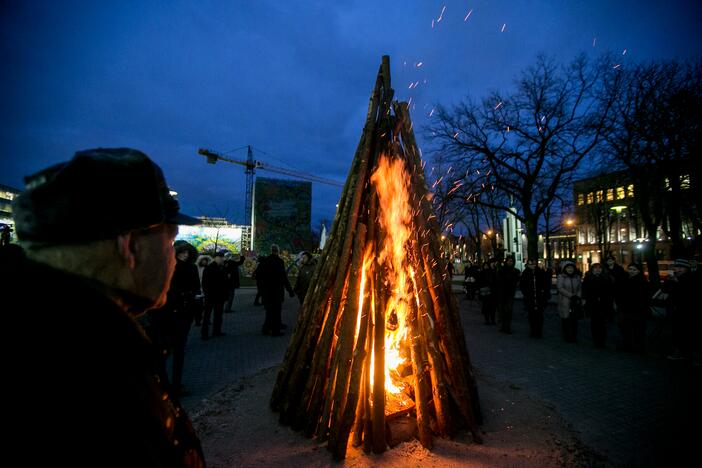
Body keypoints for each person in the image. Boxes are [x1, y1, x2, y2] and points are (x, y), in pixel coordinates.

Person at [3, 148, 206, 466]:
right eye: (169, 241)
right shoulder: (96, 373)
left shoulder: (53, 325)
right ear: (129, 245)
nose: (172, 259)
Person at [145, 240, 201, 397]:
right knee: (163, 351)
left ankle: (175, 385)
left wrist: (193, 305)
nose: (184, 256)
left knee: (179, 352)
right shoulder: (166, 268)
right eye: (181, 253)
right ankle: (163, 384)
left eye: (187, 253)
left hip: (182, 315)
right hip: (164, 315)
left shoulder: (191, 268)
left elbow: (196, 290)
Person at [258, 244, 294, 336]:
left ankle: (266, 328)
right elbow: (283, 277)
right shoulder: (279, 261)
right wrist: (290, 290)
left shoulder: (265, 261)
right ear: (277, 251)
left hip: (267, 291)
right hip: (276, 291)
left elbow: (260, 277)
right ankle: (275, 330)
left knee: (269, 311)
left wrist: (261, 290)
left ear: (271, 251)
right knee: (276, 311)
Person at [664, 259, 695, 361]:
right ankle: (678, 350)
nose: (678, 269)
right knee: (676, 331)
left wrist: (677, 282)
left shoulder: (690, 278)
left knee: (685, 332)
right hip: (674, 309)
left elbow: (688, 294)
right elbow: (665, 290)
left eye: (681, 267)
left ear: (687, 269)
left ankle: (684, 352)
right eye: (676, 267)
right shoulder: (674, 278)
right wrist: (668, 280)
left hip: (685, 310)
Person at [617, 262, 651, 353]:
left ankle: (638, 347)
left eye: (634, 270)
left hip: (637, 309)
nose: (631, 271)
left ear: (638, 271)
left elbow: (644, 297)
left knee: (637, 330)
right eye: (630, 269)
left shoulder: (642, 281)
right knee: (627, 329)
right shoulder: (626, 279)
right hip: (628, 309)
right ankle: (630, 346)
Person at [582, 262, 615, 348]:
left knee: (603, 324)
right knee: (594, 323)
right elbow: (585, 292)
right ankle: (596, 340)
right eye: (595, 268)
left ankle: (602, 340)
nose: (597, 270)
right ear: (592, 270)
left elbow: (611, 292)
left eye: (599, 268)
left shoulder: (607, 279)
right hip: (593, 304)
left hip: (604, 304)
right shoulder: (588, 279)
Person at [519, 258, 551, 338]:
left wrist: (545, 294)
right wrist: (526, 293)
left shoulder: (540, 272)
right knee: (531, 315)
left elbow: (546, 284)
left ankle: (539, 331)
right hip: (530, 298)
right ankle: (533, 330)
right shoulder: (525, 273)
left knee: (539, 315)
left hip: (540, 297)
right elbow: (522, 285)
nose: (532, 266)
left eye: (533, 264)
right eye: (530, 264)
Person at [201, 251, 229, 340]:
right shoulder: (209, 268)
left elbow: (225, 283)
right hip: (211, 296)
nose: (222, 259)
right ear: (216, 257)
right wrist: (207, 294)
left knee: (218, 315)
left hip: (219, 296)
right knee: (207, 316)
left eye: (223, 258)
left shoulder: (221, 268)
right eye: (221, 258)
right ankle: (204, 334)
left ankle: (216, 331)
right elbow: (205, 284)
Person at [557, 260, 582, 343]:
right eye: (568, 268)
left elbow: (580, 288)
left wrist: (577, 296)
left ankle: (574, 336)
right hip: (565, 300)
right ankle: (566, 336)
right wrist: (571, 296)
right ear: (565, 269)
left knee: (574, 320)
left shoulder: (577, 277)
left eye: (571, 268)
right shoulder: (561, 277)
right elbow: (560, 288)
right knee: (566, 319)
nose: (570, 269)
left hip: (575, 301)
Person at [496, 256, 520, 334]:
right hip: (502, 293)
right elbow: (499, 281)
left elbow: (517, 281)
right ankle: (503, 326)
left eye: (511, 261)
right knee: (503, 311)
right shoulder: (501, 270)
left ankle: (507, 327)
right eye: (509, 261)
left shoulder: (515, 271)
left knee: (509, 311)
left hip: (510, 293)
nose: (510, 262)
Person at [478, 259, 498, 325]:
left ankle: (492, 319)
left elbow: (494, 281)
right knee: (486, 306)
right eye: (485, 266)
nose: (486, 267)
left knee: (492, 307)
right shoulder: (482, 273)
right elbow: (480, 282)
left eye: (487, 265)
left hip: (491, 292)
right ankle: (487, 320)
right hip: (485, 291)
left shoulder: (492, 272)